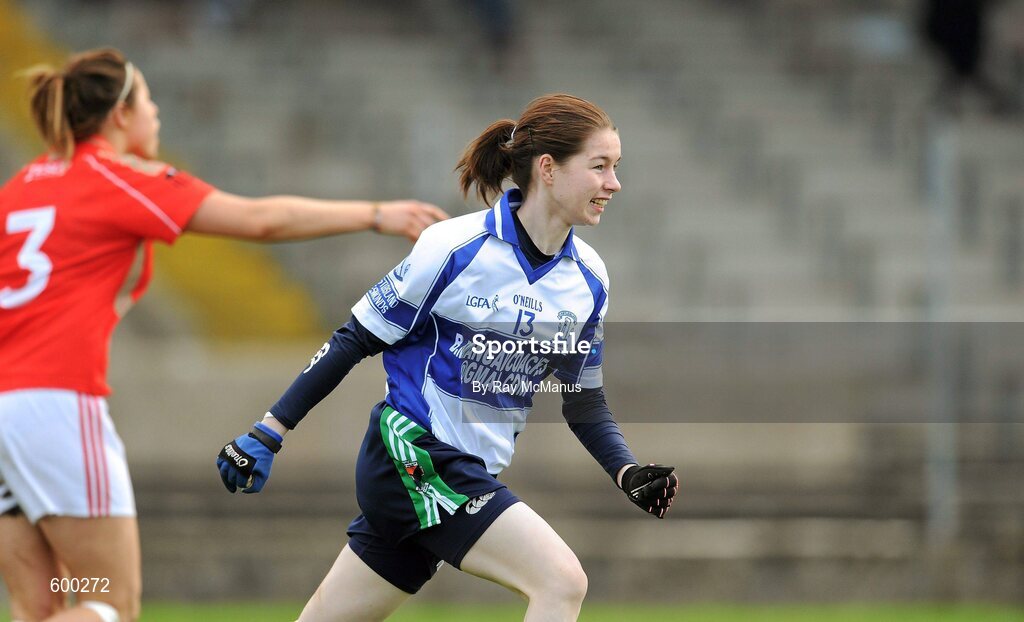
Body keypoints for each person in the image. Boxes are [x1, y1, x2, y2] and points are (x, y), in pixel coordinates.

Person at [0, 47, 447, 622]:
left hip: (6, 415)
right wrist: (376, 214)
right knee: (108, 602)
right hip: (54, 406)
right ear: (119, 115)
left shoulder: (22, 187)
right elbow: (260, 219)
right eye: (147, 99)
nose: (155, 112)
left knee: (38, 606)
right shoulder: (119, 180)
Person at [217, 93, 679, 621]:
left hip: (462, 472)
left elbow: (584, 402)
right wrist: (270, 429)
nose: (613, 183)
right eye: (600, 167)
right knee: (561, 581)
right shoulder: (455, 247)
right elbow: (354, 339)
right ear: (548, 169)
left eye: (615, 167)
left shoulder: (589, 280)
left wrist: (627, 472)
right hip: (413, 454)